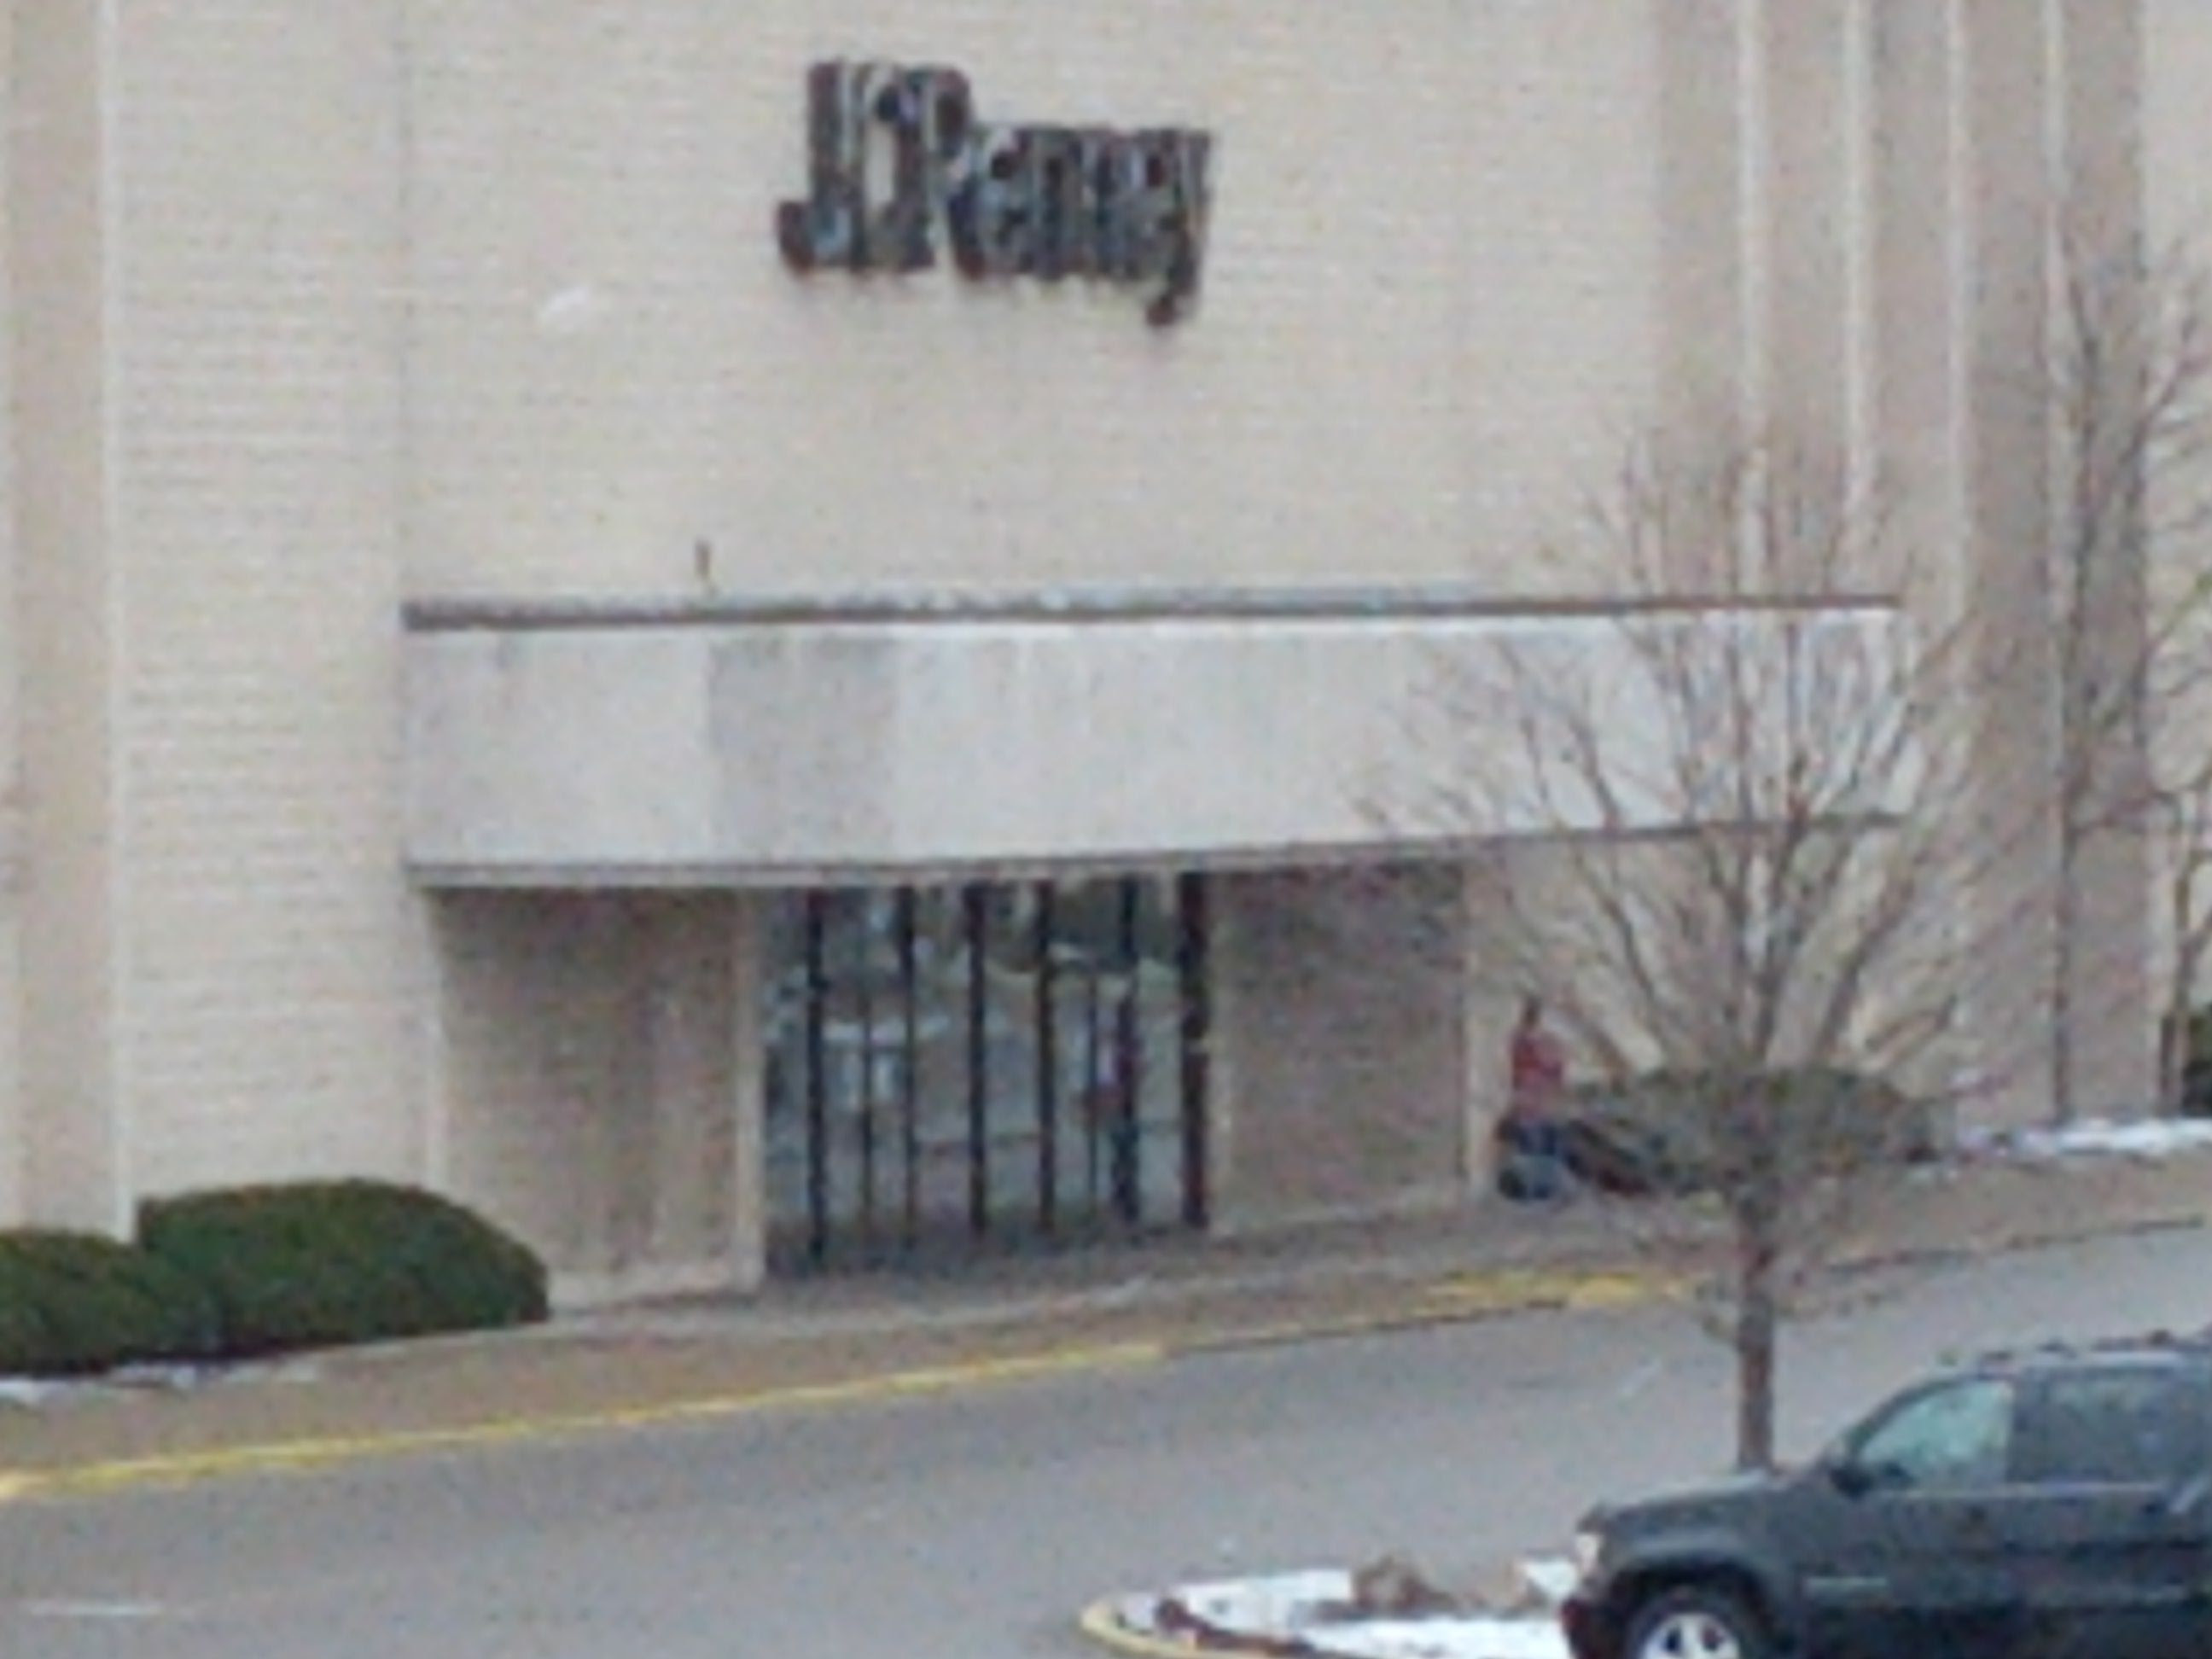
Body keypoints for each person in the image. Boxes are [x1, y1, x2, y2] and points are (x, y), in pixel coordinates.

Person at [1497, 995, 1571, 1202]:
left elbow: (1556, 1071)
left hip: (1538, 1105)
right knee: (1537, 1148)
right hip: (1535, 1105)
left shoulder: (1527, 1042)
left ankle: (1545, 1191)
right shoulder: (1529, 1043)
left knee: (1544, 1148)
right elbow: (1553, 1068)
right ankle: (1539, 1191)